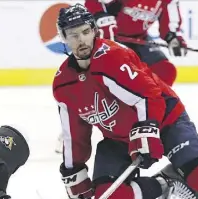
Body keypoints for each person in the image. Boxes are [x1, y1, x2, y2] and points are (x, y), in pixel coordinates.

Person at [52, 4, 198, 199]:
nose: (82, 40)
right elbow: (74, 135)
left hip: (165, 120)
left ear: (94, 30)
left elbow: (149, 95)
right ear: (63, 38)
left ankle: (186, 174)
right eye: (73, 35)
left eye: (86, 32)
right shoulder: (63, 84)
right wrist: (73, 169)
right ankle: (167, 181)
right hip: (118, 139)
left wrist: (146, 130)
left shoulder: (113, 57)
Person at [56, 0, 187, 153]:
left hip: (139, 39)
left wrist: (173, 37)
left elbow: (170, 21)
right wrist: (101, 17)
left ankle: (147, 115)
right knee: (97, 79)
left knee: (165, 70)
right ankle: (79, 127)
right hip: (110, 39)